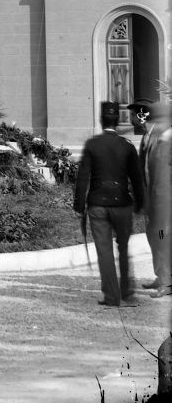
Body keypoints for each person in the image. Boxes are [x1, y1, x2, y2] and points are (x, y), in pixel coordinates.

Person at [74, 100, 144, 307]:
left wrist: (78, 206)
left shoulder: (92, 144)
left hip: (97, 205)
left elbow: (82, 178)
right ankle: (127, 293)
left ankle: (112, 297)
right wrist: (140, 203)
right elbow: (137, 178)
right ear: (117, 122)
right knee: (123, 248)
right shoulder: (127, 146)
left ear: (101, 119)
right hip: (122, 204)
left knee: (104, 251)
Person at [141, 99, 172, 298]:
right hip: (155, 201)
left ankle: (166, 282)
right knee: (156, 238)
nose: (155, 124)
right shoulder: (159, 140)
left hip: (166, 203)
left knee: (162, 238)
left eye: (159, 120)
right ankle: (161, 276)